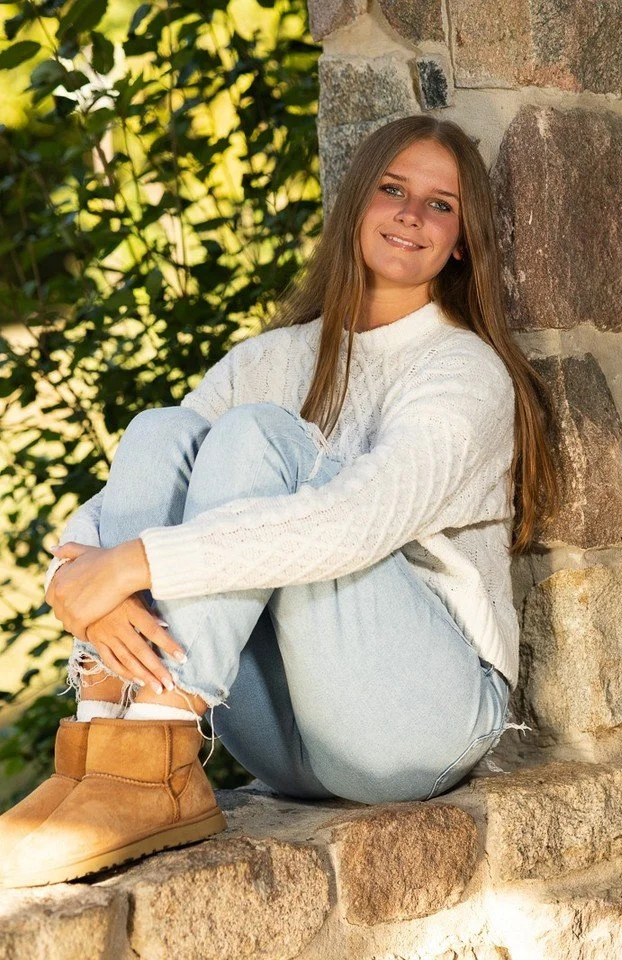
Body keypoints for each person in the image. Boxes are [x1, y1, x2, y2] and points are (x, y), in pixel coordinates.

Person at [0, 114, 558, 888]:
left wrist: (128, 563)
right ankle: (111, 746)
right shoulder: (274, 357)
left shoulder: (462, 372)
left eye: (440, 204)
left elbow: (353, 524)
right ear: (356, 205)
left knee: (257, 438)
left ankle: (152, 740)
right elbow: (151, 476)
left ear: (462, 240)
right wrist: (72, 565)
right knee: (165, 431)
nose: (408, 214)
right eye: (392, 190)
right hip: (285, 735)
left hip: (416, 718)